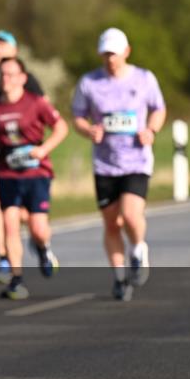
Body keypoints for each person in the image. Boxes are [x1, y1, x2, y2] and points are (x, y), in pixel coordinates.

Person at [72, 28, 166, 301]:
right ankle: (120, 277)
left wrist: (151, 130)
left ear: (126, 52)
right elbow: (78, 116)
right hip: (105, 163)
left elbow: (159, 109)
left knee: (131, 215)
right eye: (106, 54)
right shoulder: (89, 82)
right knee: (112, 223)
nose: (110, 59)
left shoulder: (144, 78)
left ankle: (137, 249)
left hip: (136, 160)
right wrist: (88, 130)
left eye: (114, 53)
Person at [0, 57, 68, 300]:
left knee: (38, 228)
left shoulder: (36, 102)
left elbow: (61, 128)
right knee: (10, 224)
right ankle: (16, 279)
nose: (6, 79)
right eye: (2, 75)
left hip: (36, 173)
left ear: (23, 78)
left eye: (11, 74)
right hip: (7, 173)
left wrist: (43, 150)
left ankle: (43, 249)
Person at [0, 30, 45, 285]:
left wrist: (36, 145)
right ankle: (4, 259)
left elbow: (43, 110)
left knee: (22, 213)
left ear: (14, 50)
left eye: (2, 44)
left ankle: (38, 238)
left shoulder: (27, 79)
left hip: (26, 155)